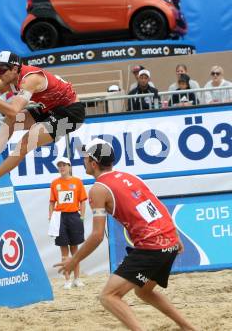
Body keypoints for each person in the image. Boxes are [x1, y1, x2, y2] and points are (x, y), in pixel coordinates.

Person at [55, 138, 196, 331]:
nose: (83, 161)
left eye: (86, 158)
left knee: (108, 296)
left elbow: (97, 236)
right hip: (168, 241)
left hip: (152, 247)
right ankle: (189, 328)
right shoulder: (130, 176)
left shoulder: (98, 189)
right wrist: (175, 236)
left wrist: (74, 260)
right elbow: (156, 206)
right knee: (144, 292)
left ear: (94, 163)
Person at [0, 51, 85, 194]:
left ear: (15, 69)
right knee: (11, 121)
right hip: (50, 108)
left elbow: (12, 110)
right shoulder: (9, 81)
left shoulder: (30, 79)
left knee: (25, 142)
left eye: (2, 70)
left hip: (72, 114)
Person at [49, 157, 87, 290]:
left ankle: (77, 279)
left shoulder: (77, 182)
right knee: (64, 250)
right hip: (60, 217)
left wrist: (82, 216)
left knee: (75, 250)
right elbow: (52, 202)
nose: (62, 168)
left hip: (74, 216)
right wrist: (50, 217)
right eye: (59, 166)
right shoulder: (55, 183)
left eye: (64, 165)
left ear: (69, 167)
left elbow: (82, 200)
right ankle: (67, 280)